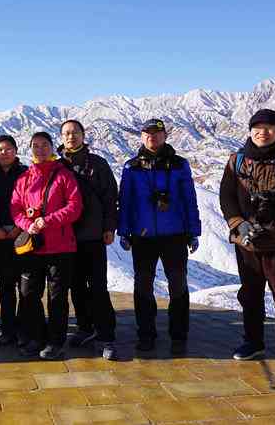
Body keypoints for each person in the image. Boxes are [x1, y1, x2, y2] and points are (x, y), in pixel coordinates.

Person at [220, 109, 275, 369]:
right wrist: (239, 224)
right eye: (257, 127)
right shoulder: (236, 160)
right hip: (246, 242)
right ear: (250, 130)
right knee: (250, 294)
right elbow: (226, 196)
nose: (263, 131)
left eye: (269, 127)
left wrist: (265, 226)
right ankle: (253, 341)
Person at [117, 118, 201, 355]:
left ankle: (179, 334)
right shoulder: (131, 167)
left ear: (165, 136)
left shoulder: (179, 165)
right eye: (147, 134)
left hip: (175, 234)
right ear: (141, 137)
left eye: (156, 133)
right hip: (143, 236)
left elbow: (189, 199)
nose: (151, 137)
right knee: (143, 287)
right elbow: (125, 202)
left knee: (178, 286)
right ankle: (146, 333)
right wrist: (123, 231)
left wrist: (193, 231)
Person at [11, 131, 83, 360]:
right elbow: (15, 208)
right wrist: (27, 224)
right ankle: (37, 335)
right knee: (29, 293)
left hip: (60, 246)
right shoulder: (23, 179)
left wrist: (47, 220)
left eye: (44, 145)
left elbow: (75, 207)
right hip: (33, 246)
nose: (40, 149)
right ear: (30, 149)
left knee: (57, 297)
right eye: (35, 145)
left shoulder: (63, 175)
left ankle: (55, 340)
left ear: (52, 148)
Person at [58, 120, 119, 360]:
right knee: (75, 286)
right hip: (66, 237)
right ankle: (85, 328)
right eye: (66, 133)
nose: (71, 137)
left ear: (83, 135)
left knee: (98, 287)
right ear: (61, 137)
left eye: (75, 132)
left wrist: (109, 227)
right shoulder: (57, 165)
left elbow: (110, 197)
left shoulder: (97, 164)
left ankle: (106, 335)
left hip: (93, 235)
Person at [0, 135, 27, 347]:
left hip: (24, 234)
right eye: (0, 149)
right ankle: (8, 329)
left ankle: (24, 329)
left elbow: (33, 202)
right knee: (5, 286)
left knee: (26, 286)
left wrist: (20, 227)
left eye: (9, 149)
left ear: (16, 150)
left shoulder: (26, 173)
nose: (5, 152)